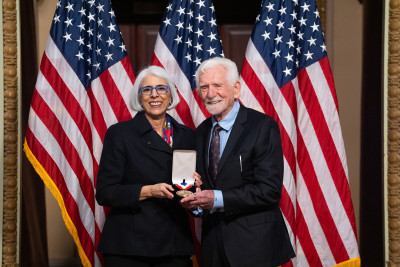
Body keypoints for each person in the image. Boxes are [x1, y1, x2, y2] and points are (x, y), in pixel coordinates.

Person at [181, 57, 295, 267]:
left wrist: (216, 198)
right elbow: (201, 187)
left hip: (254, 245)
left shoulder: (262, 126)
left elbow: (269, 190)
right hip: (213, 247)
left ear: (236, 89)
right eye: (204, 87)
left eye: (217, 85)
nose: (210, 94)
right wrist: (194, 203)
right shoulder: (199, 134)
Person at [96, 65, 201, 267]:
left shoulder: (187, 135)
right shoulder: (120, 134)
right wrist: (149, 191)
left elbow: (188, 191)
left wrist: (195, 188)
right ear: (139, 97)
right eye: (147, 90)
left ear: (170, 95)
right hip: (129, 248)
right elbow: (105, 193)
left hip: (174, 244)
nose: (155, 95)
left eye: (162, 88)